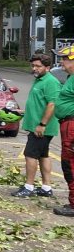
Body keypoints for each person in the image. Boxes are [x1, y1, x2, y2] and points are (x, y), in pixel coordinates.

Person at [12, 53, 59, 199]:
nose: (35, 68)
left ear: (48, 67)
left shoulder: (50, 82)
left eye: (38, 66)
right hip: (37, 125)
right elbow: (40, 104)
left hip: (41, 128)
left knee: (30, 155)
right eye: (33, 66)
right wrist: (23, 112)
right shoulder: (39, 80)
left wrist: (42, 124)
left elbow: (52, 104)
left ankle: (29, 187)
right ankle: (46, 187)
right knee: (43, 155)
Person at [52, 44, 74, 217]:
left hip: (72, 126)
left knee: (70, 164)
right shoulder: (70, 77)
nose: (61, 61)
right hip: (67, 124)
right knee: (68, 163)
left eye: (65, 58)